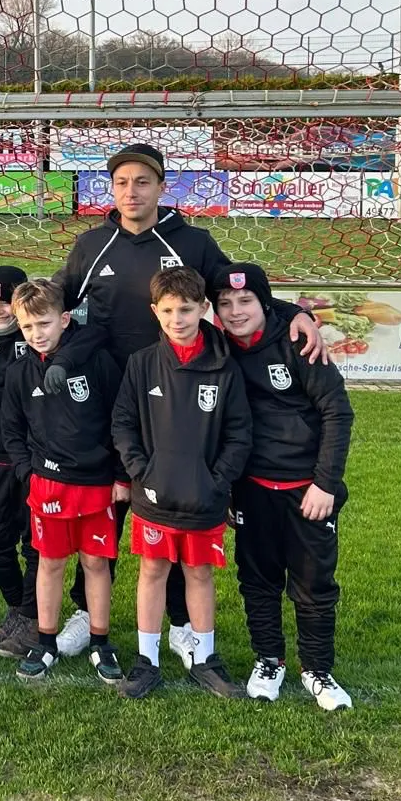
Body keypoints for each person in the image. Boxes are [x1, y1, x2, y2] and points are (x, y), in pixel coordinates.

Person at [51, 141, 325, 669]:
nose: (131, 192)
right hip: (109, 404)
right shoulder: (92, 245)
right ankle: (87, 612)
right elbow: (55, 299)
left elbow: (237, 288)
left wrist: (294, 312)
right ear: (111, 189)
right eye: (122, 183)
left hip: (178, 406)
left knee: (175, 509)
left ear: (161, 186)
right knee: (106, 512)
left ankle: (179, 623)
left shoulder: (192, 242)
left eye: (142, 182)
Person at [212, 263, 355, 710]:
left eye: (246, 300)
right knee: (258, 580)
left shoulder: (298, 343)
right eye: (226, 303)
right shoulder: (218, 348)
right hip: (252, 488)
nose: (236, 311)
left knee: (314, 584)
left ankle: (317, 669)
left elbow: (337, 412)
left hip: (307, 491)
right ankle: (268, 659)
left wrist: (325, 483)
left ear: (264, 303)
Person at [112, 267, 251, 700]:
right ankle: (146, 660)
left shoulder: (225, 367)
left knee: (199, 572)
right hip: (153, 495)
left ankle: (205, 659)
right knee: (152, 571)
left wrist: (217, 480)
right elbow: (123, 423)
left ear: (203, 309)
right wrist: (141, 471)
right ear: (155, 311)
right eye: (169, 310)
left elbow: (239, 433)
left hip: (204, 497)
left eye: (187, 310)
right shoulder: (142, 364)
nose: (178, 319)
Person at [0, 279, 126, 685]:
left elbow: (121, 418)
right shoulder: (19, 373)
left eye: (44, 324)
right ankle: (46, 641)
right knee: (50, 563)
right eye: (28, 326)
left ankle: (101, 642)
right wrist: (27, 471)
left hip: (96, 483)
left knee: (95, 564)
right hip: (48, 485)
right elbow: (11, 431)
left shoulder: (97, 362)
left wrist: (121, 473)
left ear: (65, 319)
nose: (37, 333)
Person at [0, 264, 42, 662]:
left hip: (33, 456)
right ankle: (18, 608)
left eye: (6, 302)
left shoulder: (36, 335)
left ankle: (32, 618)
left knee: (34, 542)